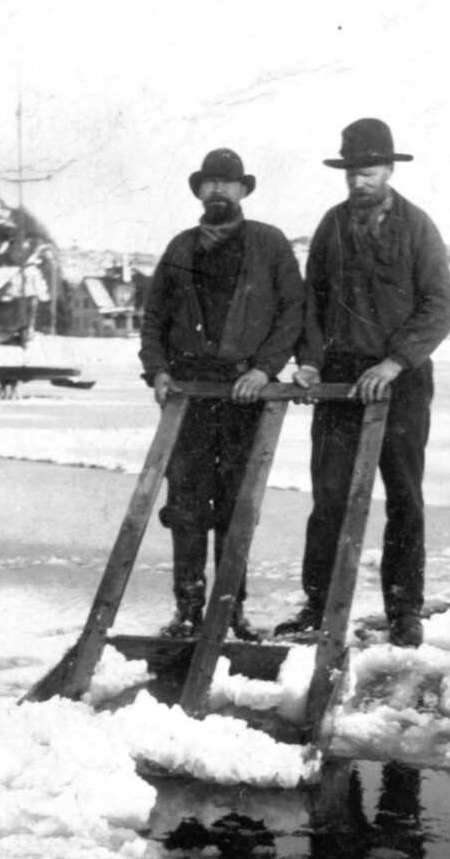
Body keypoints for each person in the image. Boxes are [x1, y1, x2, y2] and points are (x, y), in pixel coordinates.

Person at [275, 118, 450, 647]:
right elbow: (312, 304)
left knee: (403, 495)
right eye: (353, 171)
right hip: (338, 381)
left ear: (388, 169)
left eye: (370, 171)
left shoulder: (417, 226)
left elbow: (441, 306)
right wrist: (308, 361)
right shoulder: (332, 226)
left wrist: (395, 363)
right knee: (330, 493)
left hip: (400, 380)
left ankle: (404, 611)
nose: (360, 182)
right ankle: (318, 604)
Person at [140, 148, 304, 640]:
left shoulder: (270, 245)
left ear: (243, 190)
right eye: (210, 183)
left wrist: (264, 369)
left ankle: (230, 612)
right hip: (189, 399)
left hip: (245, 399)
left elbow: (291, 312)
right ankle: (188, 611)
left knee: (236, 508)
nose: (219, 191)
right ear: (199, 191)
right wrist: (158, 372)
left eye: (228, 183)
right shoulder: (181, 248)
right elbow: (154, 320)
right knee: (188, 508)